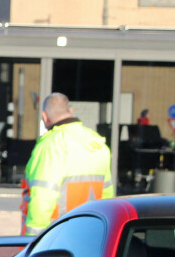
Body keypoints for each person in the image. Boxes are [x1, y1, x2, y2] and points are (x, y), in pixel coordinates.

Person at [21, 92, 113, 236]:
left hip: (57, 236)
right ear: (70, 111)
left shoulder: (52, 145)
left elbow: (43, 196)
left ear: (45, 116)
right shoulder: (98, 144)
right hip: (90, 234)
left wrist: (33, 241)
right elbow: (107, 196)